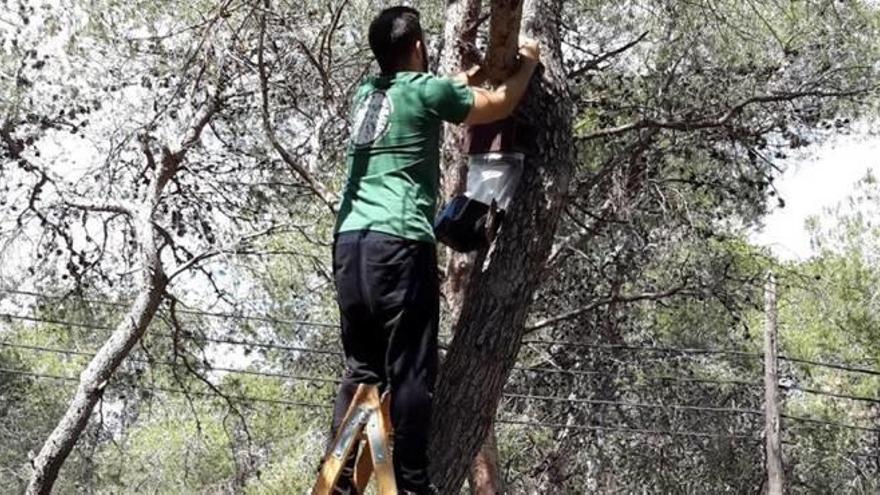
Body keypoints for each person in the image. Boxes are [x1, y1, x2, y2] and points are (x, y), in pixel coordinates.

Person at [326, 5, 540, 494]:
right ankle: (413, 484)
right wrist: (527, 60)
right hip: (399, 244)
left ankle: (339, 484)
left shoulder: (367, 94)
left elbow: (444, 86)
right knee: (411, 374)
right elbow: (500, 103)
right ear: (420, 48)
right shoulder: (426, 90)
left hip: (350, 246)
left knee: (363, 369)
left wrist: (468, 74)